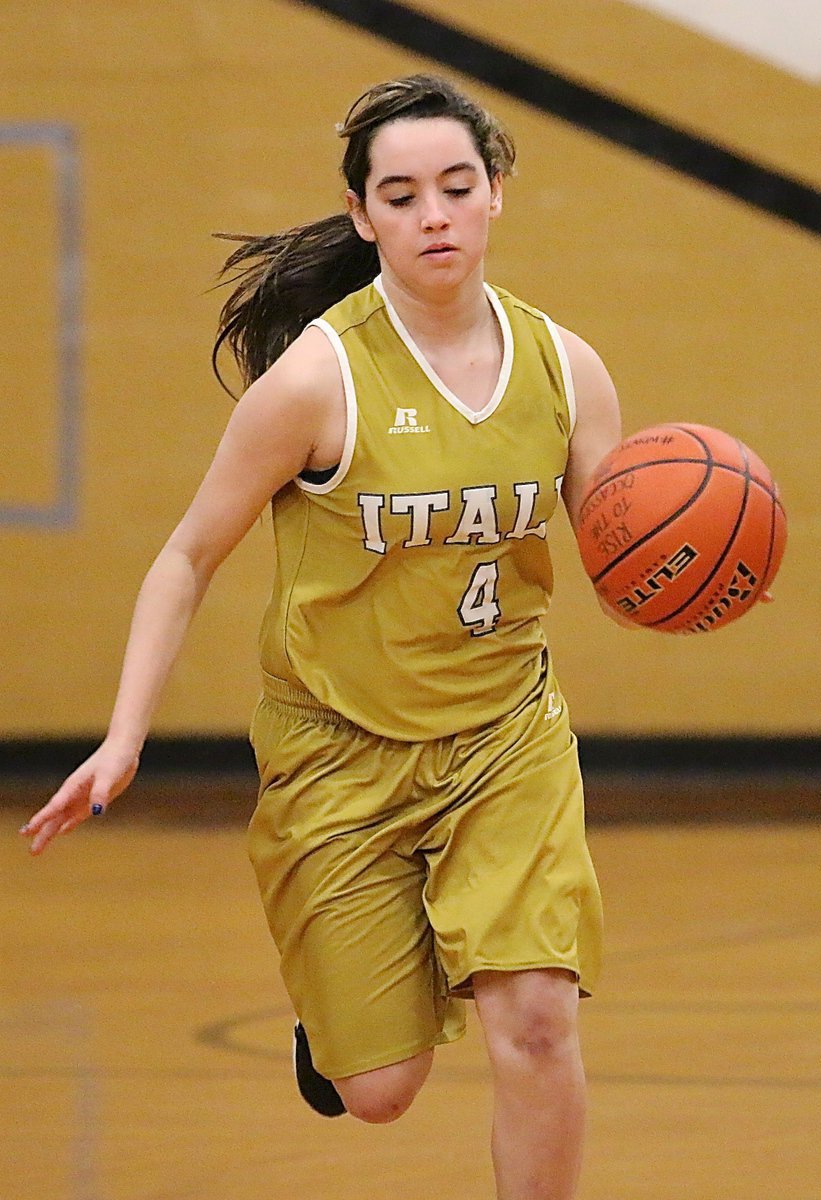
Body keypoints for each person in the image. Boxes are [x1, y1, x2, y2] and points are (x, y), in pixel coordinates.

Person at [21, 74, 622, 1199]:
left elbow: (621, 559)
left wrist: (698, 571)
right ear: (362, 217)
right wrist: (123, 736)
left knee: (538, 1023)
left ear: (496, 193)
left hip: (507, 738)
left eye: (455, 185)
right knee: (381, 1086)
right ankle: (341, 1026)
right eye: (401, 195)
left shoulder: (567, 369)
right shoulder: (314, 381)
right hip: (340, 749)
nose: (433, 213)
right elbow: (187, 556)